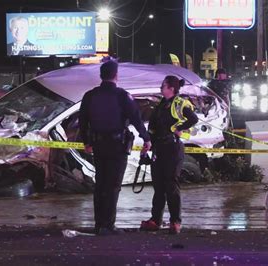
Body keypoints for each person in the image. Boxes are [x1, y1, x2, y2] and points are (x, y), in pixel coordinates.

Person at [79, 60, 152, 236]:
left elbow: (83, 121)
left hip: (98, 145)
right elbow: (136, 118)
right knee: (113, 186)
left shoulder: (89, 96)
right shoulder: (122, 96)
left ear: (101, 76)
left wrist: (87, 142)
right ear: (116, 76)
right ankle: (108, 225)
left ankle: (99, 224)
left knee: (101, 184)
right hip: (117, 146)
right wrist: (146, 138)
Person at [140, 76, 198, 234]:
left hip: (173, 148)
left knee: (171, 186)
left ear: (171, 88)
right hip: (158, 148)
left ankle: (175, 222)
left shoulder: (179, 103)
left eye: (163, 85)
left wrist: (180, 128)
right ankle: (155, 220)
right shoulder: (160, 105)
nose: (160, 88)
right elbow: (153, 128)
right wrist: (147, 144)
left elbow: (193, 118)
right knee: (158, 187)